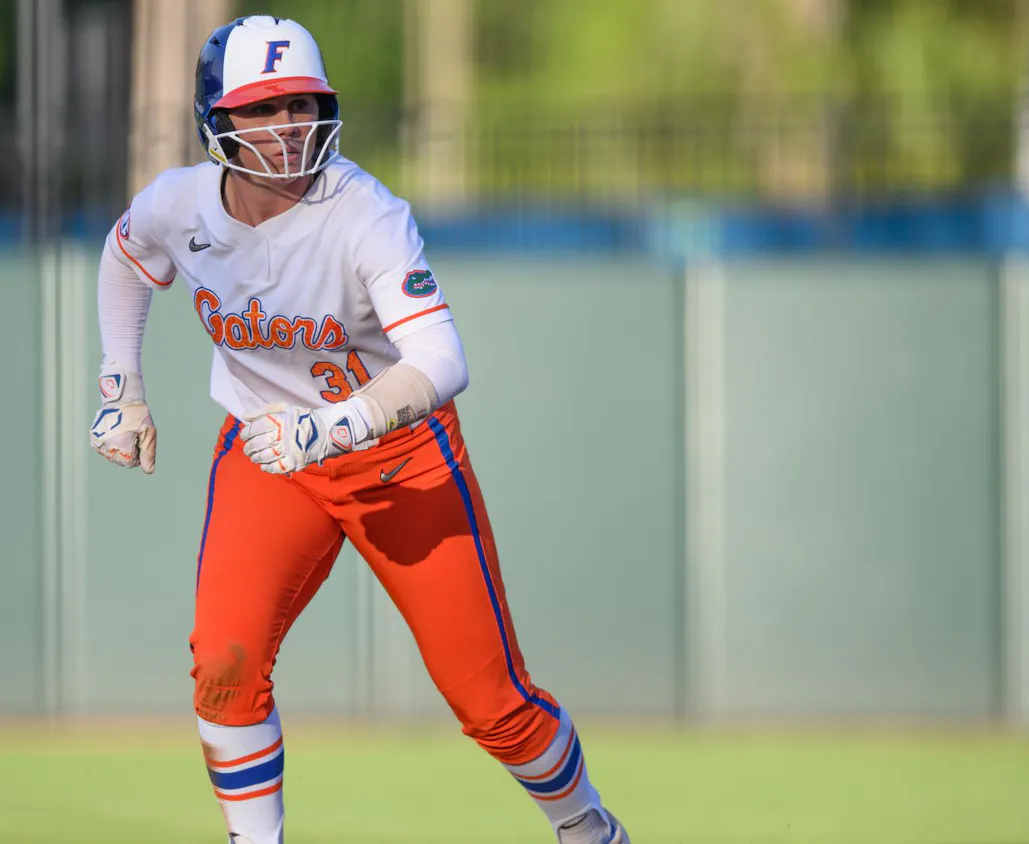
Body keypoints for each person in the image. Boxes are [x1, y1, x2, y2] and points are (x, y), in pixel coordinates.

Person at [90, 15, 630, 844]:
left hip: (399, 454)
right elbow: (127, 256)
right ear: (218, 121)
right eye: (263, 109)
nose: (286, 127)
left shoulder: (363, 211)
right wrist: (123, 384)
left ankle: (587, 826)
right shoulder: (181, 203)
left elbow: (443, 358)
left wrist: (337, 427)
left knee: (491, 702)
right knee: (224, 665)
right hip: (269, 452)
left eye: (301, 105)